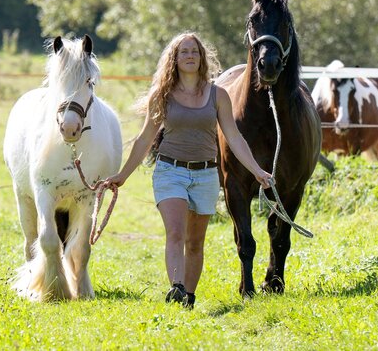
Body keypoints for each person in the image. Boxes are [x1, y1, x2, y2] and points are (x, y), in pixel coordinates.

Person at [104, 32, 272, 309]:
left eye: (194, 51)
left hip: (206, 175)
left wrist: (257, 170)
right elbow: (145, 138)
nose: (190, 56)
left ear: (202, 57)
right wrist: (122, 176)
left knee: (195, 243)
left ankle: (188, 299)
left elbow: (234, 137)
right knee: (176, 234)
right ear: (175, 59)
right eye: (184, 52)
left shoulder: (218, 95)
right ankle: (177, 286)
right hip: (171, 171)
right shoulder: (162, 96)